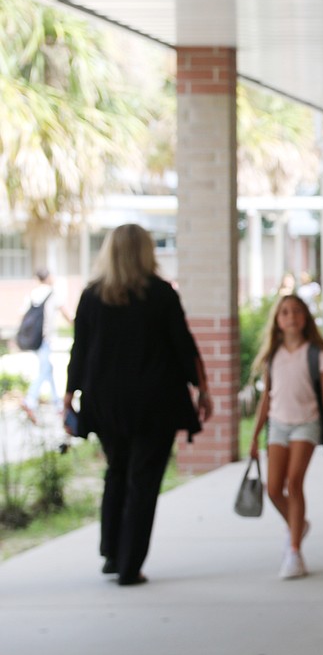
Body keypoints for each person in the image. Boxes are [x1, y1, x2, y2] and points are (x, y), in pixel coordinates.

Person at [63, 224, 213, 586]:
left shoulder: (91, 296)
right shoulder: (161, 294)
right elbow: (183, 345)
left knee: (116, 472)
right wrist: (202, 388)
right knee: (142, 481)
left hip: (106, 403)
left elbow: (80, 349)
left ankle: (113, 555)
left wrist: (69, 396)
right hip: (154, 404)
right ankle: (130, 565)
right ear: (146, 251)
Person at [249, 294, 323, 579]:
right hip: (277, 425)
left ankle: (294, 552)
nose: (291, 316)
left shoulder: (316, 355)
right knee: (273, 489)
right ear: (277, 321)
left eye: (297, 311)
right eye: (284, 312)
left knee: (293, 484)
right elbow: (265, 401)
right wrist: (255, 435)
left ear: (305, 318)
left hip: (306, 426)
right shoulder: (273, 356)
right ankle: (298, 524)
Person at [21, 268, 71, 425]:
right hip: (44, 338)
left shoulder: (33, 293)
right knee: (45, 370)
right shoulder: (51, 293)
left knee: (48, 369)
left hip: (34, 338)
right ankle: (30, 399)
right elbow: (65, 312)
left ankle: (57, 403)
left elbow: (22, 315)